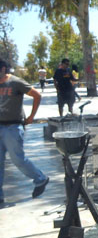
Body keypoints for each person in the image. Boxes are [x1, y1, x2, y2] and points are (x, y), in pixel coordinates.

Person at [0, 59, 49, 204]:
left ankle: (40, 179)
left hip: (13, 127)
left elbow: (37, 95)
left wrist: (31, 117)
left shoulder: (16, 82)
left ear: (3, 69)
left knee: (18, 159)